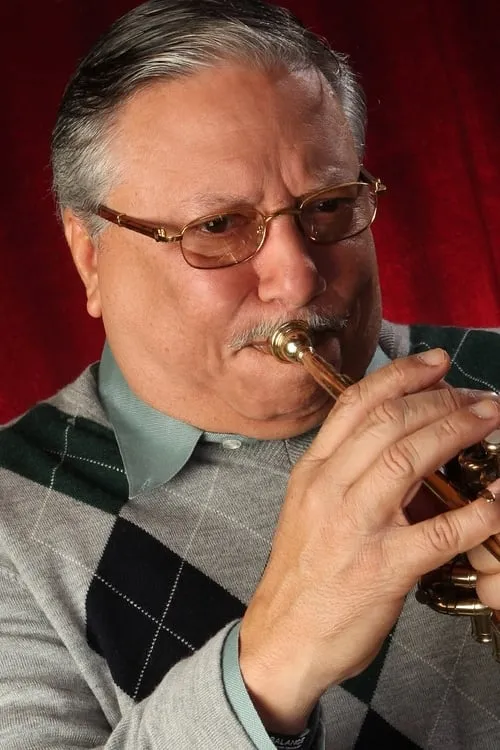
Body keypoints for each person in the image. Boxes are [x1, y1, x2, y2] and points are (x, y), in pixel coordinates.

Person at [1, 1, 500, 747]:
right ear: (90, 255)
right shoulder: (12, 520)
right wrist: (276, 656)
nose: (297, 279)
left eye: (327, 205)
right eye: (217, 226)